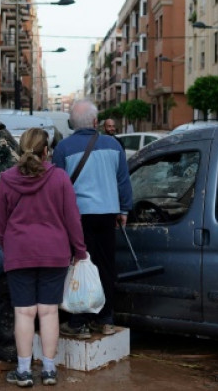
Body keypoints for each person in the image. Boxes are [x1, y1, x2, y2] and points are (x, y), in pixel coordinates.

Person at [0, 128, 88, 388]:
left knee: (23, 313)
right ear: (46, 151)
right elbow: (72, 219)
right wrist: (79, 251)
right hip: (54, 253)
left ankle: (23, 372)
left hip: (19, 252)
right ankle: (48, 371)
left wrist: (8, 243)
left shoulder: (6, 179)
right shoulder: (59, 178)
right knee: (48, 313)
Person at [52, 99, 133, 338]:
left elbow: (57, 186)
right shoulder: (113, 145)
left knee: (80, 266)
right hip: (108, 214)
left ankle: (79, 322)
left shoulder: (63, 148)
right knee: (106, 266)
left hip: (77, 217)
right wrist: (124, 210)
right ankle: (105, 319)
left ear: (71, 124)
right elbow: (123, 181)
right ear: (96, 122)